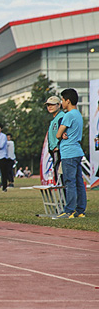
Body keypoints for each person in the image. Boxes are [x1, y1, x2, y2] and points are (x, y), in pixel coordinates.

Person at [53, 88, 87, 219]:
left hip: (69, 152)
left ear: (68, 101)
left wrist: (62, 134)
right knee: (79, 182)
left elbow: (58, 134)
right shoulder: (78, 114)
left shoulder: (68, 115)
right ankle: (80, 210)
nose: (61, 103)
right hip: (77, 151)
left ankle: (69, 210)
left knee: (69, 182)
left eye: (62, 100)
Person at [45, 96, 65, 185]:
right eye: (48, 105)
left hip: (59, 151)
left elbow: (64, 134)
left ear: (59, 105)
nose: (50, 107)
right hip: (54, 151)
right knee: (57, 176)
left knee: (60, 177)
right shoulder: (55, 119)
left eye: (52, 105)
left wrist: (58, 146)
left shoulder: (61, 117)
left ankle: (63, 194)